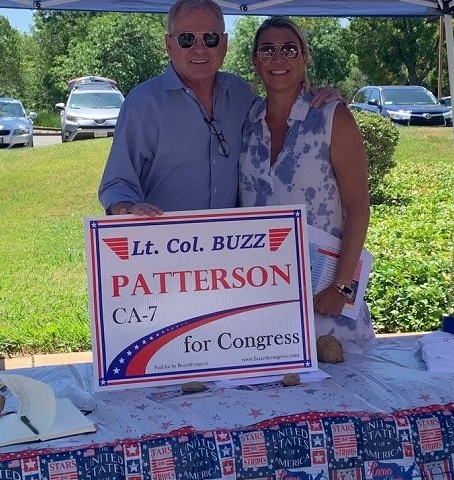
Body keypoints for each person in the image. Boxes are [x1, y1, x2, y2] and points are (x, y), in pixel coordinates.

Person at [98, 0, 339, 216]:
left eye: (210, 38)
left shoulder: (241, 94)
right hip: (167, 246)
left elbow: (281, 109)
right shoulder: (144, 103)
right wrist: (126, 208)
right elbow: (117, 184)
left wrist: (321, 95)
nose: (199, 49)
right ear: (169, 44)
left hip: (230, 248)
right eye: (186, 39)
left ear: (224, 44)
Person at [238, 16, 373, 340]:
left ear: (304, 57)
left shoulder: (332, 116)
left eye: (289, 49)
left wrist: (341, 288)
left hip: (325, 301)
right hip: (263, 303)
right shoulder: (247, 121)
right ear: (256, 61)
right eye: (267, 50)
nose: (278, 58)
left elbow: (358, 208)